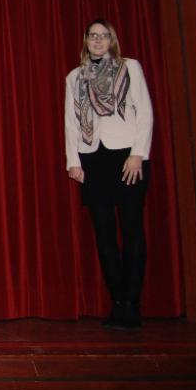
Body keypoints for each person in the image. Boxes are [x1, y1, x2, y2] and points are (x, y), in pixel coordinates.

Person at [65, 19, 153, 329]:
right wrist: (73, 161)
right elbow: (71, 122)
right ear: (86, 40)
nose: (98, 41)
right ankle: (117, 301)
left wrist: (138, 154)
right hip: (93, 159)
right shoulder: (75, 77)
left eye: (104, 36)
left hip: (127, 157)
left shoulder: (130, 67)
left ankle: (132, 302)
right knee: (104, 235)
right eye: (93, 36)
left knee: (131, 231)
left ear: (112, 40)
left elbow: (144, 112)